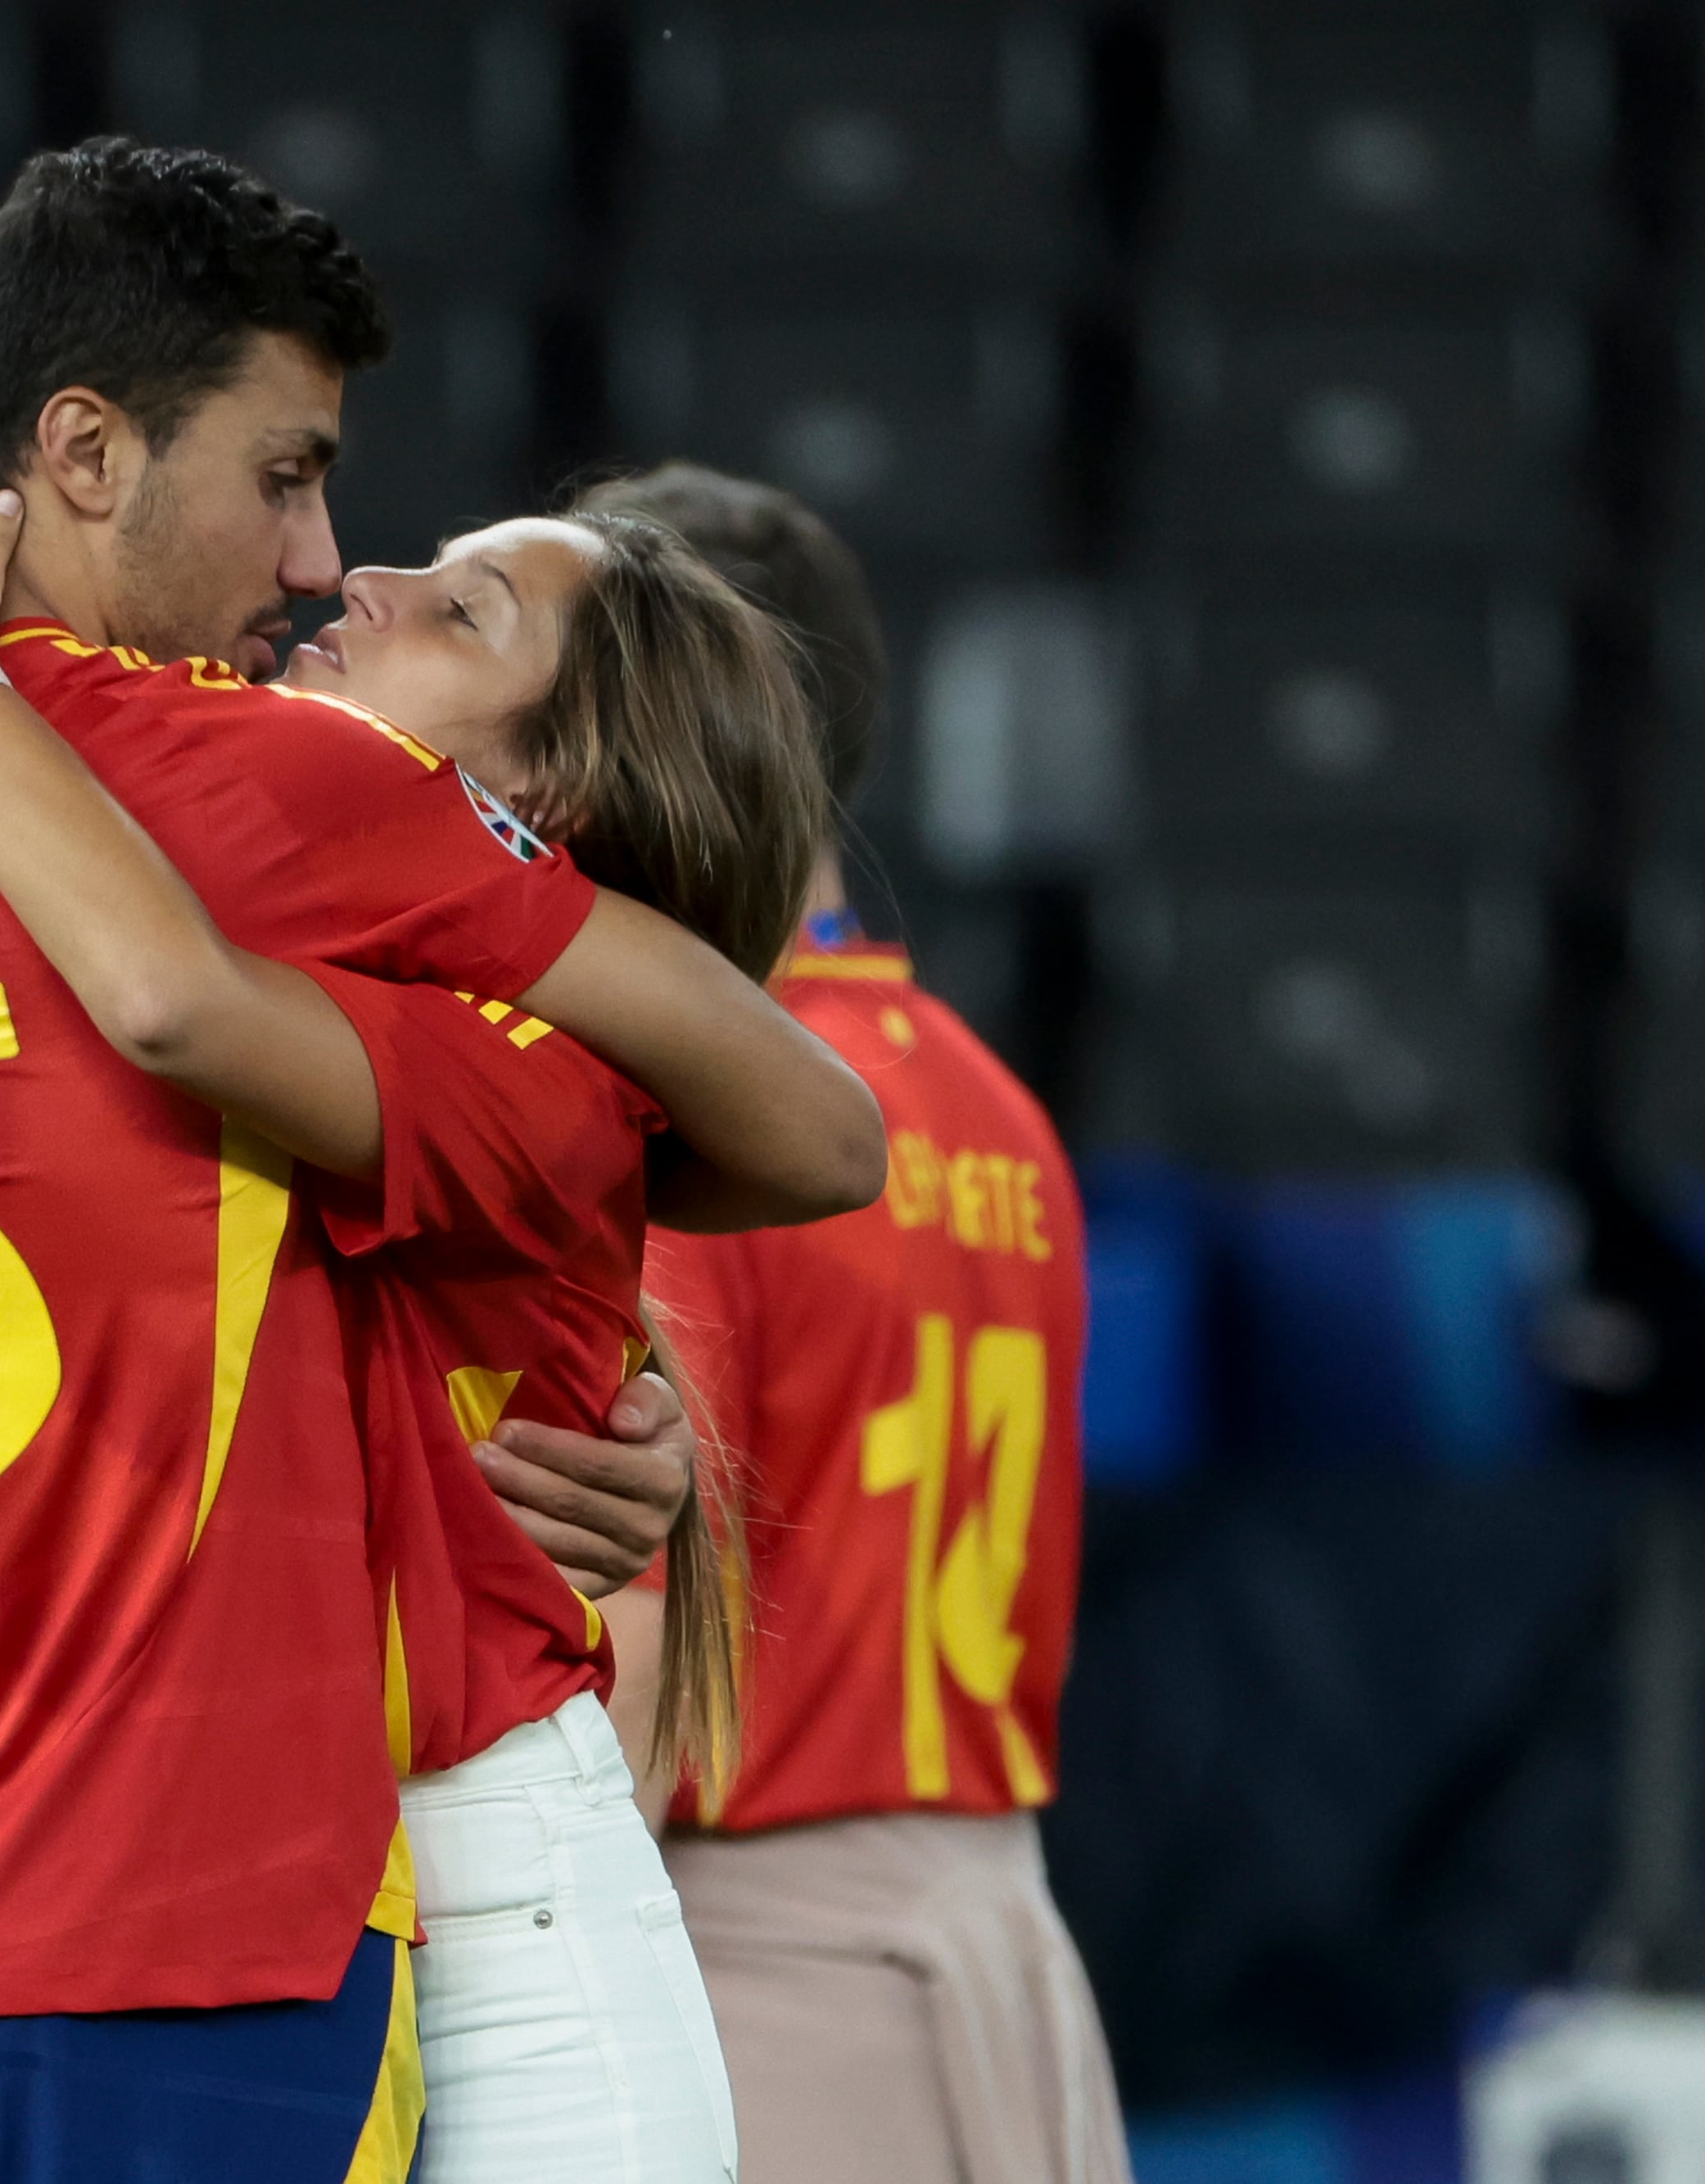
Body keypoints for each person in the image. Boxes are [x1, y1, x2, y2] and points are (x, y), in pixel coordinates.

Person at [0, 139, 879, 2183]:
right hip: (165, 1901)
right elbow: (783, 1129)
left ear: (542, 801)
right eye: (286, 476)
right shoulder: (263, 791)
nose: (319, 563)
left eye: (427, 587)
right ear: (84, 451)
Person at [0, 488, 832, 2184]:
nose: (358, 575)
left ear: (540, 796)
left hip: (480, 1899)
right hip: (234, 1884)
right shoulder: (228, 935)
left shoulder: (498, 1044)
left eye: (461, 610)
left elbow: (175, 1003)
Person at [595, 463, 1132, 2184]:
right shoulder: (995, 1114)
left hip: (766, 1979)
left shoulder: (706, 1118)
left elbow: (640, 1645)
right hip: (1003, 1950)